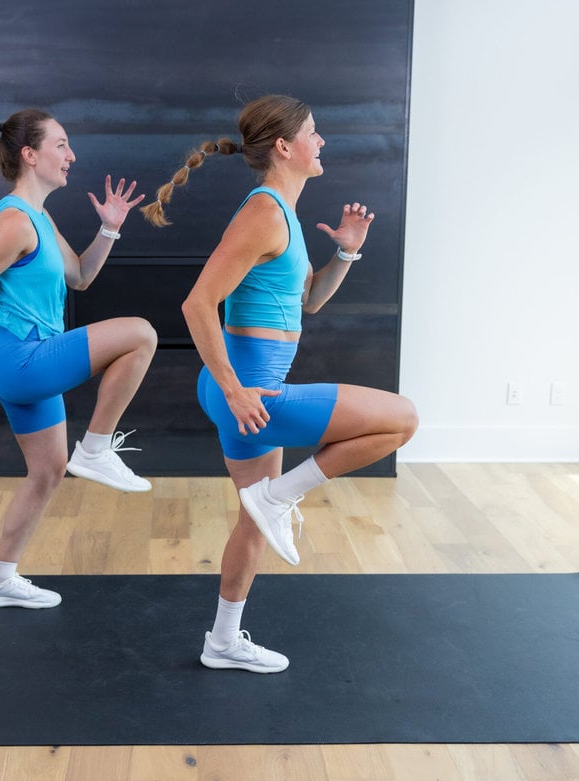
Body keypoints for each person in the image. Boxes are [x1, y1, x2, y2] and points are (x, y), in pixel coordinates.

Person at [143, 95, 418, 672]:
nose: (322, 143)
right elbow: (198, 304)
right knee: (403, 418)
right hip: (251, 396)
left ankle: (222, 640)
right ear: (285, 147)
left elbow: (308, 301)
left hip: (247, 395)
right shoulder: (265, 212)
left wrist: (346, 253)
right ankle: (281, 495)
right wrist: (235, 391)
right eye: (314, 133)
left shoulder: (282, 216)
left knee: (254, 521)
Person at [0, 97, 157, 610]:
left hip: (28, 357)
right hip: (19, 357)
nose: (71, 155)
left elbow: (80, 277)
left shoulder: (39, 218)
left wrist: (110, 228)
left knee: (48, 471)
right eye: (61, 144)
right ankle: (97, 449)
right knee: (141, 334)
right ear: (31, 156)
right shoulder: (14, 221)